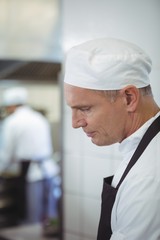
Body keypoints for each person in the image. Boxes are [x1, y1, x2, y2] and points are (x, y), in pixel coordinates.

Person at [63, 38, 160, 240]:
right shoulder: (145, 147)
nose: (75, 123)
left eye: (84, 108)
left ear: (129, 98)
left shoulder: (148, 179)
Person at [0, 87, 60, 225]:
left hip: (31, 173)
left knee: (32, 217)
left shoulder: (12, 122)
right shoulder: (39, 117)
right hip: (49, 170)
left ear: (11, 105)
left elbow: (6, 154)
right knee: (50, 216)